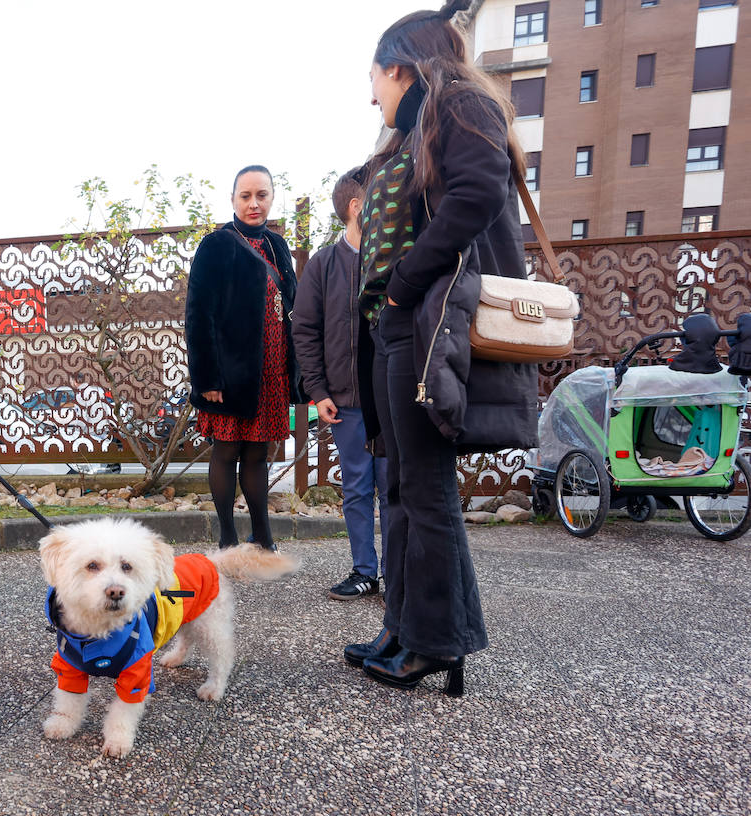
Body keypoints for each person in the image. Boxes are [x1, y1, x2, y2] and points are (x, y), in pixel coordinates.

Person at [343, 0, 539, 693]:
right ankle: (407, 624)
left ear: (401, 66)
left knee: (424, 489)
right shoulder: (416, 126)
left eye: (374, 78)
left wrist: (403, 283)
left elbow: (479, 191)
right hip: (396, 328)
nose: (371, 93)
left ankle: (438, 641)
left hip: (420, 320)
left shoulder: (457, 101)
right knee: (400, 486)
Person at [186, 166, 300, 552]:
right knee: (227, 449)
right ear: (233, 199)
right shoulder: (217, 244)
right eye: (245, 196)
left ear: (271, 197)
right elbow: (198, 315)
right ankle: (227, 538)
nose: (254, 203)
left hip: (269, 369)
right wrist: (208, 378)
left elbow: (292, 307)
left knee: (257, 452)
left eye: (262, 195)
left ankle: (263, 537)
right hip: (229, 372)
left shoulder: (277, 246)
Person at [291, 167, 388, 600]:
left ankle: (398, 576)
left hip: (392, 399)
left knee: (395, 490)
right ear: (356, 207)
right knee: (357, 489)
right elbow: (305, 331)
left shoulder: (394, 258)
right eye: (378, 198)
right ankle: (365, 571)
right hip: (346, 402)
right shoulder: (323, 266)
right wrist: (319, 391)